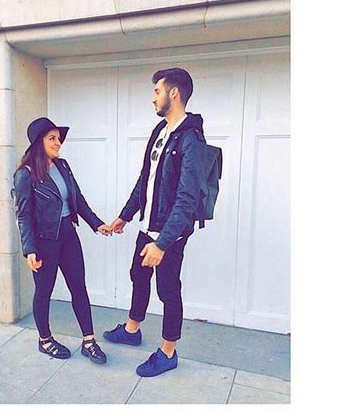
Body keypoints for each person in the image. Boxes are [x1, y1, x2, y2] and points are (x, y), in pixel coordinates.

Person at [104, 68, 207, 377]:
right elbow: (145, 180)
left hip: (170, 234)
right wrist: (124, 216)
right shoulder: (159, 132)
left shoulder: (192, 140)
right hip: (148, 225)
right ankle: (132, 329)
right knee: (138, 274)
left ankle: (168, 351)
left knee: (168, 290)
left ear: (173, 94)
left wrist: (163, 243)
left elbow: (187, 200)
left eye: (157, 92)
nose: (153, 99)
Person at [12, 117, 111, 365]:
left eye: (58, 138)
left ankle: (89, 341)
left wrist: (97, 224)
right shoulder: (26, 174)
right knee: (44, 291)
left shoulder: (63, 166)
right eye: (52, 138)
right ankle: (45, 340)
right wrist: (29, 249)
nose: (58, 143)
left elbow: (78, 199)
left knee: (79, 287)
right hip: (44, 242)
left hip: (68, 235)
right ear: (39, 142)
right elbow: (23, 214)